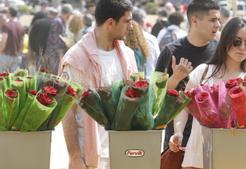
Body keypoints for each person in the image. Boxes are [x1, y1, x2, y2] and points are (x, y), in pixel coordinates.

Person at [59, 0, 137, 169]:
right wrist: (74, 157)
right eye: (127, 21)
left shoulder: (128, 55)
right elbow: (67, 112)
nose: (131, 26)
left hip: (122, 152)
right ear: (110, 23)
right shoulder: (76, 59)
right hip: (90, 159)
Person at [169, 17, 246, 169]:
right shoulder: (203, 72)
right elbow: (183, 106)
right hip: (197, 157)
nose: (242, 47)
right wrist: (179, 132)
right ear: (226, 40)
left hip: (235, 160)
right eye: (237, 41)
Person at [155, 0, 220, 151]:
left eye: (218, 20)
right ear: (195, 20)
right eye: (212, 20)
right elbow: (155, 95)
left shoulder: (219, 52)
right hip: (177, 138)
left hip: (210, 136)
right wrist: (175, 78)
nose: (217, 25)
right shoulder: (171, 51)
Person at [0, 7, 25, 72]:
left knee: (2, 78)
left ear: (9, 13)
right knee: (14, 79)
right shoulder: (21, 25)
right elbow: (22, 42)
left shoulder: (6, 25)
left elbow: (3, 41)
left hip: (6, 56)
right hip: (17, 57)